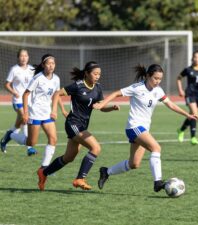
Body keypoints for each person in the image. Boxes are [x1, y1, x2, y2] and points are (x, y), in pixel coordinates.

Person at [94, 64, 198, 193]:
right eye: (155, 78)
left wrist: (187, 114)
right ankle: (157, 182)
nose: (157, 81)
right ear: (148, 76)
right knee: (156, 148)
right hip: (134, 127)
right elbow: (116, 93)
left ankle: (106, 171)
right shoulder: (137, 88)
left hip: (143, 129)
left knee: (134, 163)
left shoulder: (158, 90)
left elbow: (170, 104)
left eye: (160, 79)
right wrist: (102, 104)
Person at [37, 61, 120, 191]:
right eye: (95, 73)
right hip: (73, 123)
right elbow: (57, 93)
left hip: (82, 125)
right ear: (87, 73)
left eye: (99, 74)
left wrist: (111, 108)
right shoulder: (78, 85)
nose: (98, 76)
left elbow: (100, 107)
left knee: (69, 157)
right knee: (96, 147)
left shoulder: (97, 88)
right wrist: (54, 110)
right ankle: (80, 178)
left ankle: (44, 172)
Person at [2, 54, 68, 169]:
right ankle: (11, 135)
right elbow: (26, 94)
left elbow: (56, 95)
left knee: (53, 139)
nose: (51, 66)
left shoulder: (56, 78)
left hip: (47, 113)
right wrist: (26, 112)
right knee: (31, 143)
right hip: (35, 113)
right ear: (43, 65)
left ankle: (43, 169)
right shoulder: (38, 78)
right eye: (48, 63)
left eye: (53, 63)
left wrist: (59, 110)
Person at [0, 49, 37, 156]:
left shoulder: (32, 69)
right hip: (18, 100)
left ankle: (5, 139)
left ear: (28, 57)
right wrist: (14, 92)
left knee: (18, 125)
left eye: (25, 56)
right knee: (25, 119)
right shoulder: (14, 69)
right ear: (18, 58)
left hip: (29, 101)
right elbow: (7, 84)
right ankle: (30, 148)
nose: (24, 58)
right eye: (21, 56)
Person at [176, 50, 198, 145]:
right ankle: (193, 137)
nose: (197, 59)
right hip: (189, 94)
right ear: (192, 58)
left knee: (191, 115)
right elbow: (179, 78)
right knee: (195, 114)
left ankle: (181, 130)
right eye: (195, 57)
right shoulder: (188, 69)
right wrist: (180, 90)